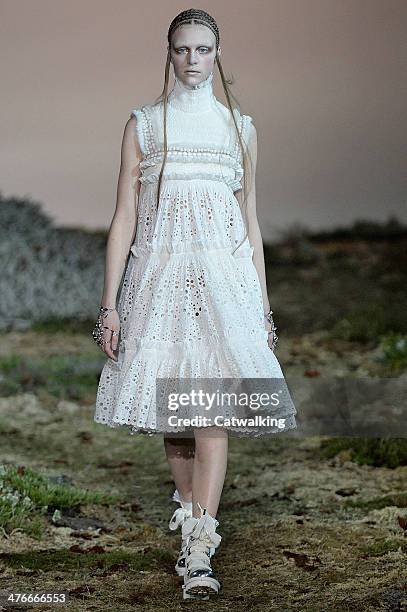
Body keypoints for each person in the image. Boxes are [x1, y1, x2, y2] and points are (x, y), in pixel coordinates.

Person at [92, 8, 297, 601]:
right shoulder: (145, 126)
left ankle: (201, 551)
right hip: (159, 286)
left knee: (210, 414)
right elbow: (124, 217)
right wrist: (111, 305)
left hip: (224, 287)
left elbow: (250, 224)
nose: (192, 60)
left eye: (203, 49)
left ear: (217, 54)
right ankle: (188, 515)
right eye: (182, 49)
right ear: (169, 54)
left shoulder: (240, 129)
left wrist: (261, 306)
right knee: (176, 417)